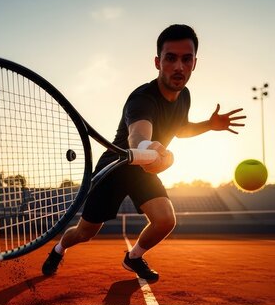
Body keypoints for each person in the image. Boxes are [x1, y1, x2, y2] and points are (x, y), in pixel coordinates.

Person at [42, 24, 245, 280]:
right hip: (115, 166)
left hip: (144, 168)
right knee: (85, 233)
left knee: (165, 221)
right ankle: (59, 250)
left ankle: (133, 257)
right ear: (158, 62)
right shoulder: (142, 99)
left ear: (194, 63)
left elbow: (179, 128)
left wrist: (209, 125)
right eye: (171, 58)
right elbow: (138, 135)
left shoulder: (184, 96)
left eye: (186, 58)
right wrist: (150, 149)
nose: (179, 66)